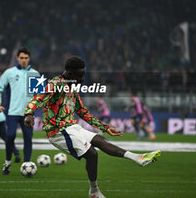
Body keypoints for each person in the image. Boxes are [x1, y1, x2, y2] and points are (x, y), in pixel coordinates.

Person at [24, 56, 161, 198]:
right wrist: (29, 113)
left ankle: (137, 158)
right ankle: (94, 191)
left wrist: (105, 127)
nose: (83, 78)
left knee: (100, 140)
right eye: (80, 75)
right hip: (58, 131)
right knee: (92, 153)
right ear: (70, 74)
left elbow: (83, 112)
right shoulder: (55, 84)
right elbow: (38, 98)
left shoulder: (71, 88)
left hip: (72, 127)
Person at [0, 47, 40, 175]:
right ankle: (7, 162)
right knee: (10, 135)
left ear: (29, 59)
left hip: (28, 113)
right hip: (12, 112)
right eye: (21, 58)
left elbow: (40, 95)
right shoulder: (9, 73)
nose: (24, 60)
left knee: (28, 139)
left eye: (26, 58)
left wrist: (40, 107)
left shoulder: (35, 74)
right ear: (17, 58)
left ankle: (27, 164)